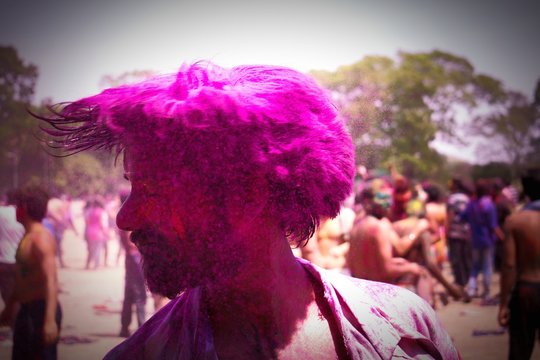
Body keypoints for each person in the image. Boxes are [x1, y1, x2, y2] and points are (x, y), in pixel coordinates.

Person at [35, 61, 459, 359]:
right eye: (133, 186)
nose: (125, 217)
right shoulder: (141, 355)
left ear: (248, 194)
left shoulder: (407, 331)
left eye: (154, 189)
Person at [0, 185, 62, 360]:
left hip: (41, 311)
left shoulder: (40, 239)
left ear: (25, 208)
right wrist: (10, 307)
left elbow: (51, 281)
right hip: (26, 310)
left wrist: (49, 321)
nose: (15, 210)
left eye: (17, 205)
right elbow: (22, 279)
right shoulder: (26, 238)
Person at [498, 168, 540, 360]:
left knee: (520, 352)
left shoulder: (515, 221)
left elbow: (509, 265)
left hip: (526, 292)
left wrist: (504, 304)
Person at [463, 178, 499, 301]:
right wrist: (503, 237)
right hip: (488, 240)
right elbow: (493, 226)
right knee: (487, 267)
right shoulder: (489, 204)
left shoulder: (471, 204)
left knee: (475, 266)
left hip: (475, 240)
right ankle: (486, 293)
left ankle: (472, 290)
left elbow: (463, 217)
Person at [118, 190, 147, 338]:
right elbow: (130, 244)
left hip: (131, 259)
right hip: (135, 258)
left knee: (129, 294)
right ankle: (142, 327)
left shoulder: (123, 214)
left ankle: (124, 326)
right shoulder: (129, 215)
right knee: (139, 294)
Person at [445, 178, 473, 301]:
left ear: (455, 186)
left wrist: (446, 232)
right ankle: (466, 283)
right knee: (466, 258)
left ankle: (460, 285)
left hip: (455, 233)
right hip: (466, 233)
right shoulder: (467, 198)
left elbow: (450, 216)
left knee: (456, 260)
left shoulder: (452, 199)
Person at [0, 190, 25, 324]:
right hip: (22, 261)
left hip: (4, 261)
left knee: (8, 296)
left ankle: (15, 325)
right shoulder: (24, 214)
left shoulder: (1, 213)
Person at [83, 199, 109, 270]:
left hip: (89, 231)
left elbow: (87, 222)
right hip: (98, 232)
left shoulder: (89, 211)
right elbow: (103, 224)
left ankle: (89, 264)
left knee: (91, 249)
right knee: (98, 249)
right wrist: (106, 233)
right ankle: (96, 265)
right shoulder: (102, 212)